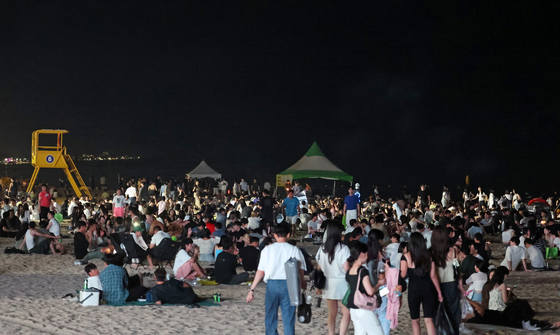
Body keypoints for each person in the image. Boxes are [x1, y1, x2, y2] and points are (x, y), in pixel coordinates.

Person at [246, 224, 307, 335]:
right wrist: (302, 283)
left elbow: (260, 272)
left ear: (274, 235)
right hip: (290, 285)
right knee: (288, 318)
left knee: (270, 316)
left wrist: (252, 289)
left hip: (272, 285)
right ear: (288, 235)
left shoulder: (267, 250)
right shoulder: (294, 250)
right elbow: (300, 270)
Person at [400, 232, 443, 335]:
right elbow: (433, 276)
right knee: (429, 320)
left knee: (415, 320)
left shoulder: (406, 256)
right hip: (428, 289)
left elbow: (403, 275)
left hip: (414, 290)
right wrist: (439, 292)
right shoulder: (429, 256)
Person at [315, 221, 351, 335]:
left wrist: (318, 285)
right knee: (346, 313)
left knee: (332, 313)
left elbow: (319, 267)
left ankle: (331, 333)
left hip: (328, 283)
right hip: (343, 283)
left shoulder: (322, 248)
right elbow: (346, 268)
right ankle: (342, 333)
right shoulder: (343, 248)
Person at [345, 242, 384, 335]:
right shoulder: (363, 271)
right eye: (367, 254)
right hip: (364, 307)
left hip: (353, 308)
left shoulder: (349, 271)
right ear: (362, 254)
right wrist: (379, 284)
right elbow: (370, 291)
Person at [431, 225, 464, 333]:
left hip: (436, 286)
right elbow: (456, 269)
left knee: (439, 312)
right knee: (453, 312)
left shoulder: (431, 253)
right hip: (452, 285)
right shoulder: (453, 251)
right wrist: (460, 286)